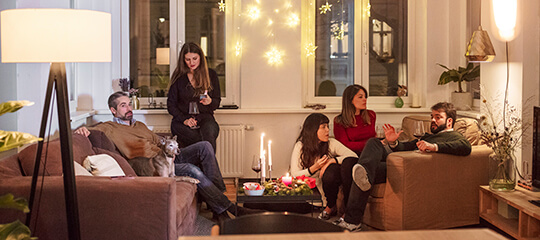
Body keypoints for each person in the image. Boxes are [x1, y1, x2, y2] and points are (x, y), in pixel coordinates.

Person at [74, 91, 254, 221]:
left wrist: (173, 147)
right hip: (156, 166)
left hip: (168, 156)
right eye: (123, 105)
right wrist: (81, 129)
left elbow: (159, 141)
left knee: (205, 147)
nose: (129, 108)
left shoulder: (139, 125)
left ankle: (218, 198)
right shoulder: (108, 127)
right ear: (113, 111)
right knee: (192, 170)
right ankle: (228, 208)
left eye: (129, 104)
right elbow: (87, 131)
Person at [335, 102, 472, 231]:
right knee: (372, 144)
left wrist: (434, 147)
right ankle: (354, 213)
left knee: (359, 168)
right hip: (399, 162)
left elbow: (465, 147)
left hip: (409, 169)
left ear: (449, 121)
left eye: (438, 117)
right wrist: (393, 142)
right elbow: (406, 147)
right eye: (432, 117)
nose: (433, 120)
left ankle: (352, 220)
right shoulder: (429, 136)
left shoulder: (454, 136)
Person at [290, 113, 358, 220]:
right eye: (323, 127)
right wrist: (315, 167)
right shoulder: (300, 146)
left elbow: (353, 156)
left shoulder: (332, 143)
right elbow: (294, 174)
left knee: (332, 169)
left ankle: (331, 207)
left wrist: (332, 160)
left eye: (328, 126)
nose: (327, 130)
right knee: (278, 205)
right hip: (306, 194)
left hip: (324, 196)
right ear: (313, 130)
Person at [167, 42, 221, 153]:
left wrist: (210, 101)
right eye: (187, 60)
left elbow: (216, 103)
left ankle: (205, 170)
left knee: (209, 133)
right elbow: (171, 105)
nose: (191, 63)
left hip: (205, 119)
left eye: (194, 58)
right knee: (201, 141)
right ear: (183, 60)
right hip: (182, 121)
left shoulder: (211, 75)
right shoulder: (179, 78)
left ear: (201, 57)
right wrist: (184, 120)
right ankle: (206, 169)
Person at [334, 84, 377, 155]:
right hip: (353, 154)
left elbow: (373, 137)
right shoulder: (339, 121)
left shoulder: (371, 115)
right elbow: (344, 145)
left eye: (365, 97)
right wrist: (369, 144)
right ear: (350, 100)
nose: (365, 99)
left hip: (372, 152)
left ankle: (361, 166)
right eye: (360, 97)